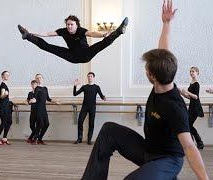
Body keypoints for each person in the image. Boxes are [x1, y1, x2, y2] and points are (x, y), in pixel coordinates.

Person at [82, 1, 209, 179]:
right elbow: (163, 51)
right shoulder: (163, 77)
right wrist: (166, 24)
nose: (145, 69)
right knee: (108, 131)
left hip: (168, 160)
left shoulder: (174, 107)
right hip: (148, 150)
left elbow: (189, 146)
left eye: (147, 68)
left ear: (153, 76)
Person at [17, 16, 128, 64]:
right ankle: (27, 36)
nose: (69, 26)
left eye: (71, 24)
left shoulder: (81, 30)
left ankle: (119, 31)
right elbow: (45, 34)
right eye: (68, 24)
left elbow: (92, 33)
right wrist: (30, 31)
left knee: (104, 43)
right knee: (48, 47)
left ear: (76, 25)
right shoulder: (63, 31)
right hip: (72, 56)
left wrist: (103, 35)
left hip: (86, 54)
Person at [73, 72, 106, 145]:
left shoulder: (96, 87)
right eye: (88, 76)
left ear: (93, 77)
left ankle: (89, 139)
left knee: (91, 124)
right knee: (80, 121)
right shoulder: (84, 87)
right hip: (84, 107)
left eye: (91, 76)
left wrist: (104, 97)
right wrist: (75, 86)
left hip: (92, 107)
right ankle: (79, 138)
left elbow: (101, 96)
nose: (89, 77)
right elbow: (75, 94)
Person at [179, 67, 204, 150]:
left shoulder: (196, 84)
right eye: (190, 71)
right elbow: (190, 97)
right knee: (189, 125)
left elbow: (196, 97)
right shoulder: (192, 83)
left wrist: (187, 92)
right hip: (192, 107)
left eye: (193, 71)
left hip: (196, 107)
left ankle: (197, 143)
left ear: (197, 73)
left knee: (188, 125)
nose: (191, 73)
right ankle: (196, 143)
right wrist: (182, 93)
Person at [31, 74, 60, 145]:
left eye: (40, 77)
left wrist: (55, 101)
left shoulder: (45, 88)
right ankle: (35, 139)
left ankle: (39, 138)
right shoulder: (37, 88)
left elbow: (48, 98)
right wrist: (33, 100)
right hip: (38, 109)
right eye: (37, 78)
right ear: (36, 80)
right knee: (40, 124)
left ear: (42, 79)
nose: (39, 79)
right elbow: (34, 97)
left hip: (43, 109)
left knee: (46, 124)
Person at [0, 71, 13, 145]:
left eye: (8, 75)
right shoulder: (3, 85)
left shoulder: (5, 84)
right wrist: (5, 94)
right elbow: (2, 96)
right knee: (4, 122)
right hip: (3, 106)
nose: (7, 76)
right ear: (2, 76)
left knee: (9, 122)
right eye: (6, 75)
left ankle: (4, 138)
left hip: (7, 106)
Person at [26, 80, 38, 144]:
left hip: (38, 111)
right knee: (31, 125)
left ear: (37, 85)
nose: (33, 86)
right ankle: (35, 137)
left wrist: (33, 100)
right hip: (32, 111)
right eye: (32, 84)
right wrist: (28, 101)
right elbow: (28, 100)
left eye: (35, 84)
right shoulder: (30, 93)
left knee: (38, 126)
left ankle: (31, 138)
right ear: (31, 85)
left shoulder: (39, 92)